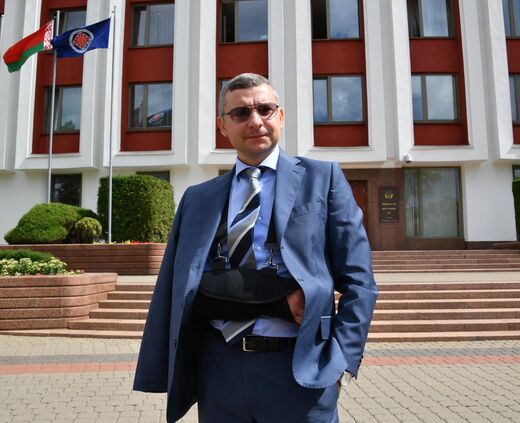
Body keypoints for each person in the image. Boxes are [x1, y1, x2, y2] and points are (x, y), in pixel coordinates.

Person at [133, 73, 378, 423]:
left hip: (299, 372)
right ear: (222, 126)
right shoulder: (197, 199)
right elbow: (180, 286)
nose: (255, 121)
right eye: (241, 113)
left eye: (265, 109)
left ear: (281, 116)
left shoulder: (322, 180)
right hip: (219, 372)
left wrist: (339, 363)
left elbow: (360, 283)